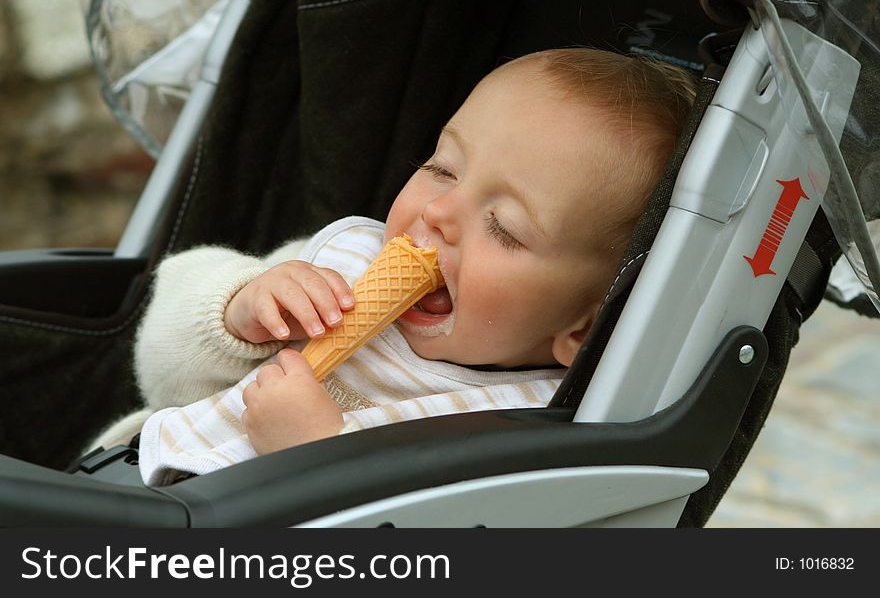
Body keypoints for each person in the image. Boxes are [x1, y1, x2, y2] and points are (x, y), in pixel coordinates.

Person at [92, 48, 698, 484]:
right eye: (442, 169)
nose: (438, 213)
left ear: (582, 331)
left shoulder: (527, 435)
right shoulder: (343, 268)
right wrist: (236, 310)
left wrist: (317, 457)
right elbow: (163, 375)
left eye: (503, 227)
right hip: (121, 484)